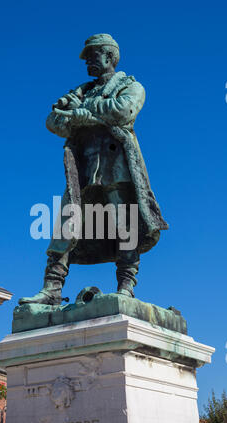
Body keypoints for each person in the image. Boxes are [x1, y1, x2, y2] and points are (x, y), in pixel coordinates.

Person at [19, 34, 168, 306]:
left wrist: (83, 113)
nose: (87, 61)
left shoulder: (132, 86)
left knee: (125, 225)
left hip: (117, 168)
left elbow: (123, 112)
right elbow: (53, 121)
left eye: (92, 55)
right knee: (65, 224)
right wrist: (80, 114)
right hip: (83, 170)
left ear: (110, 57)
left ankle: (126, 286)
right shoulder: (80, 91)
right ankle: (51, 288)